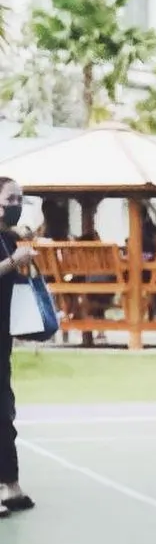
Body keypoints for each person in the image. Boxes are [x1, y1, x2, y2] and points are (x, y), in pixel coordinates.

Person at [0, 176, 36, 516]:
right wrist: (14, 261)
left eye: (19, 199)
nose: (16, 204)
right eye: (10, 198)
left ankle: (10, 485)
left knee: (4, 409)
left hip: (3, 336)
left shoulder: (9, 238)